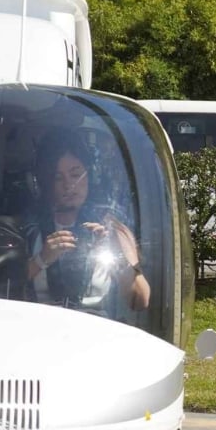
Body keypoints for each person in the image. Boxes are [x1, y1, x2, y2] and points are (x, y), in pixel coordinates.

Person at [26, 129, 150, 316]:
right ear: (45, 182)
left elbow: (140, 301)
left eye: (76, 175)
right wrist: (41, 259)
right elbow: (3, 287)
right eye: (58, 177)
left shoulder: (113, 227)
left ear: (90, 175)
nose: (69, 185)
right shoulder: (29, 229)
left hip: (94, 329)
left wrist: (117, 254)